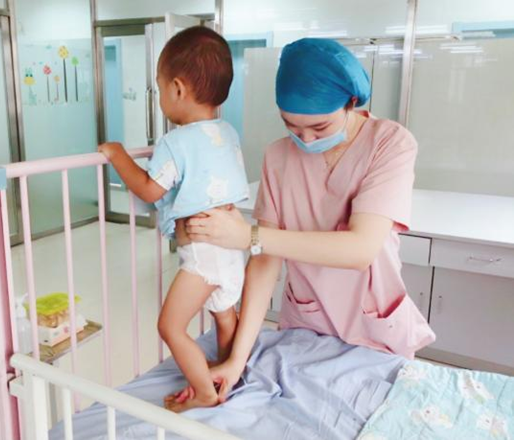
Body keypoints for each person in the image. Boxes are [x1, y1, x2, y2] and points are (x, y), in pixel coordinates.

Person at [181, 38, 436, 403]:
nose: (305, 139)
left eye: (320, 127)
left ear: (350, 102)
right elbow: (264, 262)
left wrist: (249, 235)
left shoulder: (390, 143)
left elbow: (360, 249)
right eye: (291, 126)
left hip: (374, 324)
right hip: (307, 322)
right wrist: (236, 360)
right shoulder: (278, 156)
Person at [98, 26, 249, 412]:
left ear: (177, 89)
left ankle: (204, 392)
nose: (161, 96)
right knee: (225, 318)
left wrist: (118, 155)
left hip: (204, 252)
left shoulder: (174, 142)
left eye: (160, 87)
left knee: (169, 325)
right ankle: (228, 374)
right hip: (232, 245)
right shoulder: (227, 132)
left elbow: (150, 190)